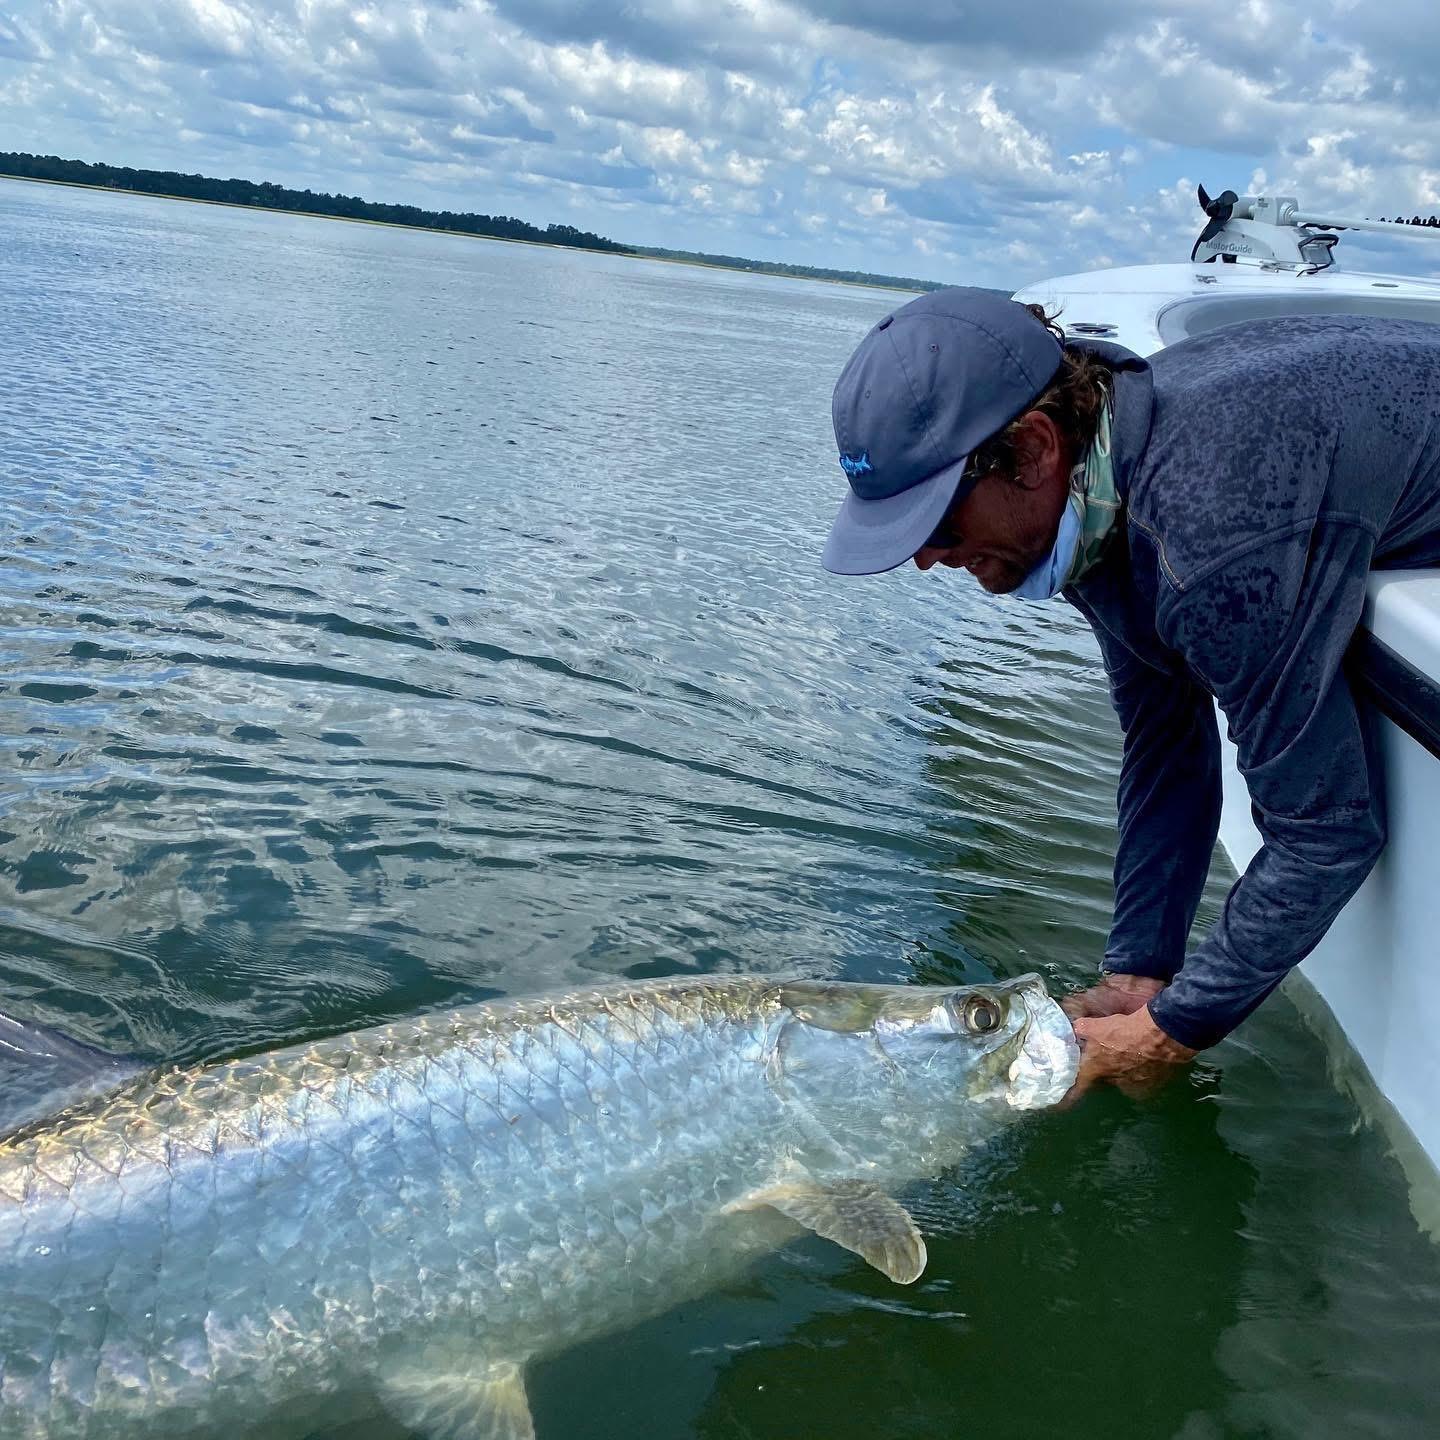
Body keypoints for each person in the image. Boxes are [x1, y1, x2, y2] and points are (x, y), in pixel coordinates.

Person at [822, 287, 1440, 1094]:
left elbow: (1326, 831)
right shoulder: (1090, 494)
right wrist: (1138, 972)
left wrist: (1169, 1032)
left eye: (935, 521)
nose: (926, 559)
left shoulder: (1206, 543)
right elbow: (1165, 746)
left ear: (1036, 447)